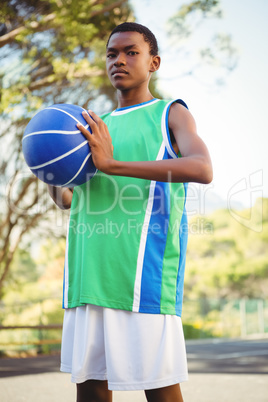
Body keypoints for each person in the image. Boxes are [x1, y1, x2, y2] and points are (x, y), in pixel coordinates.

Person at [48, 22, 212, 402]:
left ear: (153, 62)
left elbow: (202, 168)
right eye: (111, 54)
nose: (119, 60)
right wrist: (50, 170)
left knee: (160, 393)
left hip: (143, 280)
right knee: (89, 391)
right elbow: (70, 200)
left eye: (131, 52)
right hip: (88, 275)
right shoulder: (91, 128)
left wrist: (112, 164)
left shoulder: (170, 113)